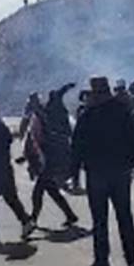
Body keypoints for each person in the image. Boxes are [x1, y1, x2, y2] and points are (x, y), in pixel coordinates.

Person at [71, 77, 134, 266]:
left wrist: (73, 175)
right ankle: (132, 260)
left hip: (97, 173)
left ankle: (101, 261)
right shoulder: (123, 111)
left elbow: (77, 147)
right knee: (124, 216)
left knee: (100, 220)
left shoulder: (87, 115)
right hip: (121, 172)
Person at [0, 108, 34, 244]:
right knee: (11, 197)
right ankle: (26, 221)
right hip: (5, 167)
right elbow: (9, 140)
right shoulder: (3, 128)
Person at [29, 86, 80, 227]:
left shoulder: (50, 114)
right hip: (52, 156)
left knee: (38, 190)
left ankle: (32, 219)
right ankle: (70, 215)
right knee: (51, 190)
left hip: (53, 157)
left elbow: (43, 132)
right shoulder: (47, 113)